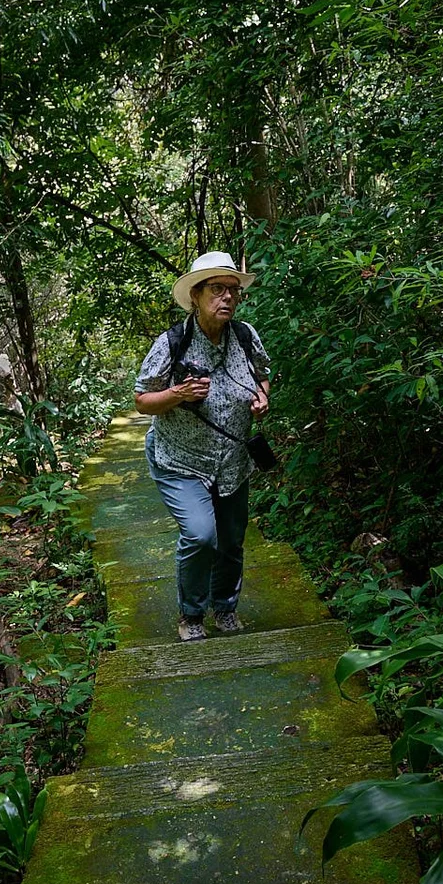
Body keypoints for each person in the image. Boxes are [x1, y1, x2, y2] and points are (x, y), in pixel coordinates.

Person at [134, 252, 271, 642]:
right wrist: (177, 394)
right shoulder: (172, 343)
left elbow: (263, 375)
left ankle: (225, 608)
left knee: (231, 540)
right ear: (195, 295)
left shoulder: (245, 336)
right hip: (180, 459)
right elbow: (142, 400)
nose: (227, 297)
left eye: (232, 290)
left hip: (232, 462)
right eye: (217, 289)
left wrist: (262, 397)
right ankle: (191, 615)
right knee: (200, 535)